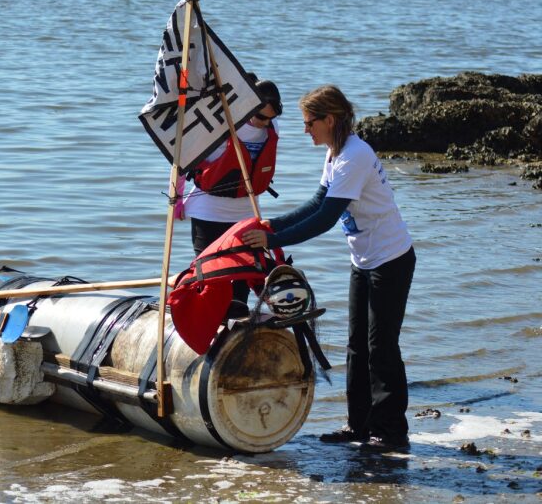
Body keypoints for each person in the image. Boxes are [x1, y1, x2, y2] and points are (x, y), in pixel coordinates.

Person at [240, 85, 415, 451]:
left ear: (329, 119)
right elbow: (316, 202)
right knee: (356, 346)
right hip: (363, 259)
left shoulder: (355, 155)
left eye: (309, 123)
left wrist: (271, 242)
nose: (305, 130)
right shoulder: (335, 153)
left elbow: (325, 219)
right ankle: (359, 425)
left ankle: (391, 432)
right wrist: (272, 225)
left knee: (381, 346)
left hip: (391, 259)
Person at [178, 79, 283, 307]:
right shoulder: (222, 123)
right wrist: (177, 198)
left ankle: (239, 337)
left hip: (246, 214)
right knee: (211, 284)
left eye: (270, 119)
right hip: (208, 213)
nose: (264, 124)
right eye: (260, 117)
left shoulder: (271, 128)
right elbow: (181, 157)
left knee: (240, 293)